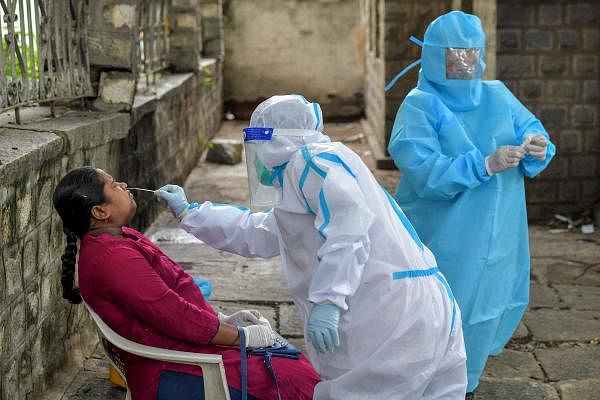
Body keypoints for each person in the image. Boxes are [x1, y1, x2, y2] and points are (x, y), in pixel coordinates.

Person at [156, 94, 467, 399]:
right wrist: (190, 212)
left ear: (276, 141)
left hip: (390, 313)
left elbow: (349, 226)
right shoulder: (308, 177)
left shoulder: (311, 161)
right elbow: (260, 232)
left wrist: (329, 300)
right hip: (423, 307)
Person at [385, 11, 556, 397]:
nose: (464, 63)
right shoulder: (420, 105)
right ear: (432, 57)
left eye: (471, 53)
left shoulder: (497, 94)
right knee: (435, 310)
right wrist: (483, 165)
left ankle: (465, 385)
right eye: (453, 55)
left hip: (499, 235)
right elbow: (424, 171)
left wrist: (537, 146)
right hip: (442, 234)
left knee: (486, 308)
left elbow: (532, 128)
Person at [52, 166, 320, 400]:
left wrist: (222, 320)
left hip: (179, 345)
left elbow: (172, 298)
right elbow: (176, 315)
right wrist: (241, 336)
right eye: (113, 185)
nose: (123, 184)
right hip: (173, 369)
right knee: (292, 377)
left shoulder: (120, 238)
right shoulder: (114, 259)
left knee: (289, 361)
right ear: (100, 211)